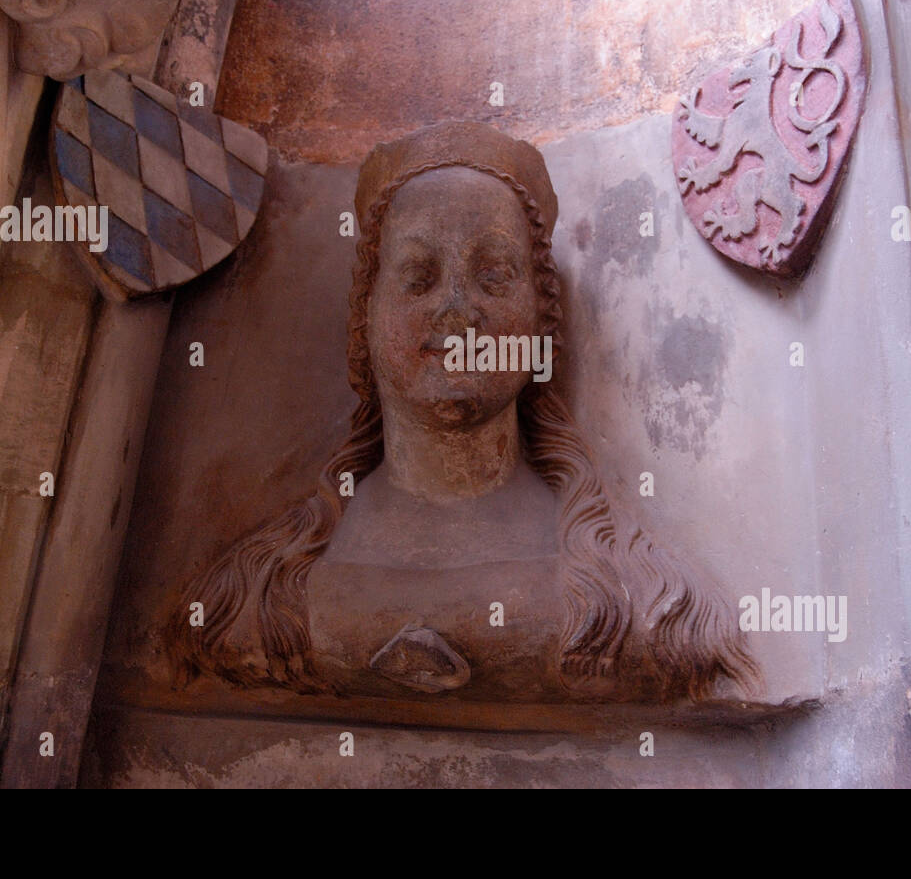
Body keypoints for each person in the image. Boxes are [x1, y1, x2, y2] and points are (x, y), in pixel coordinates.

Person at [170, 120, 757, 703]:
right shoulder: (258, 594)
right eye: (418, 277)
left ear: (541, 321)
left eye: (494, 276)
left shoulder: (649, 597)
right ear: (366, 319)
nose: (456, 312)